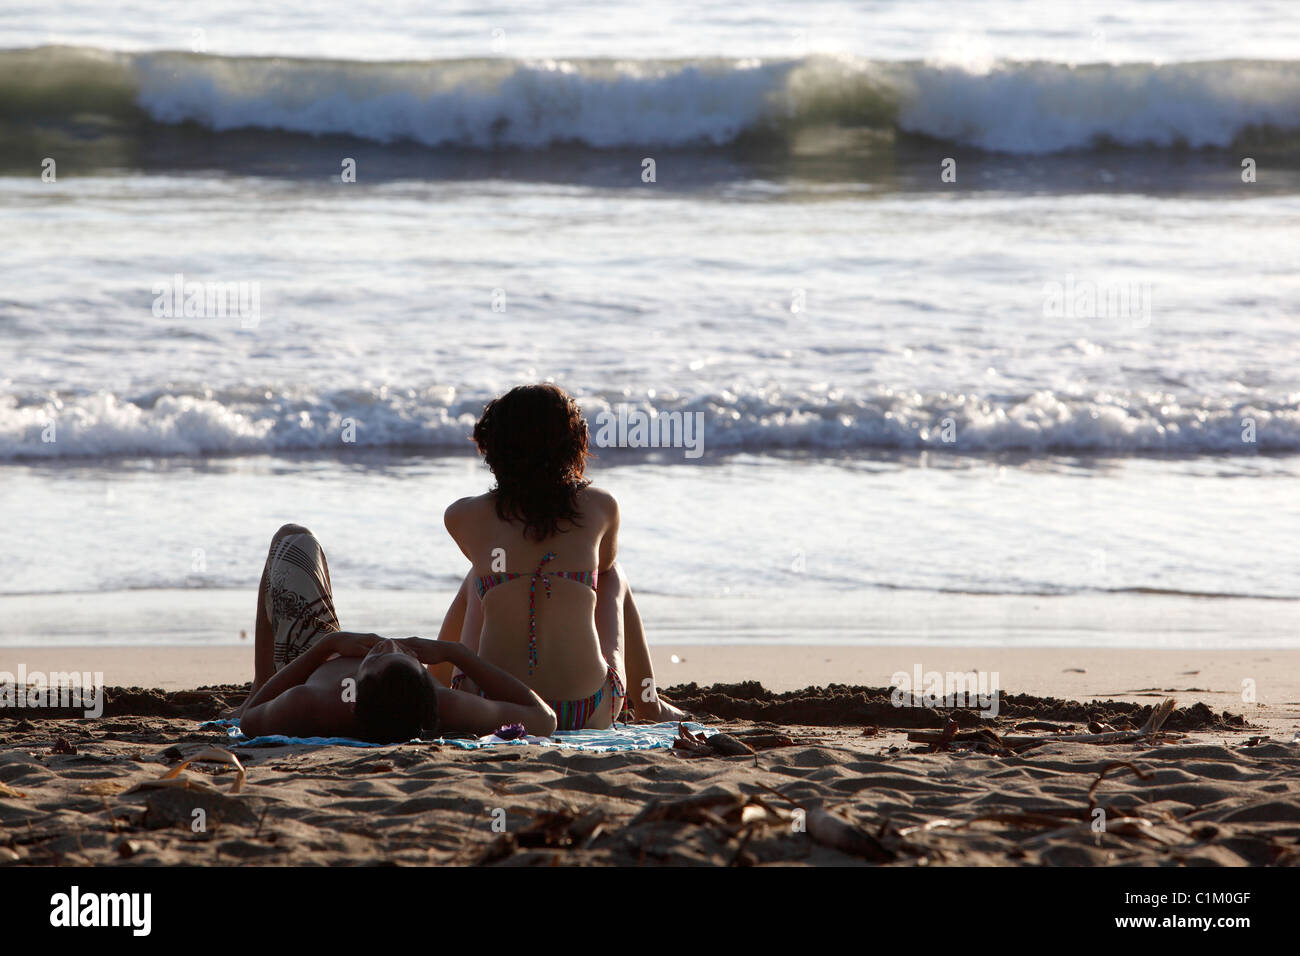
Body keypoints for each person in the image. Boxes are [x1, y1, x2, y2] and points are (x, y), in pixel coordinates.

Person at [438, 383, 686, 730]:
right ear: (573, 444)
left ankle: (435, 682)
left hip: (492, 707)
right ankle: (649, 703)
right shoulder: (602, 507)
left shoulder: (462, 516)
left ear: (493, 447)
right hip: (588, 709)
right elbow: (603, 565)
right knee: (614, 576)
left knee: (486, 572)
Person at [235, 523, 556, 742]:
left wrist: (326, 647)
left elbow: (249, 721)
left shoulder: (314, 702)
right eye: (404, 657)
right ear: (428, 687)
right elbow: (543, 717)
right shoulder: (446, 706)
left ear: (353, 692)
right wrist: (456, 653)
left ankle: (261, 679)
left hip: (309, 657)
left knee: (292, 537)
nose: (389, 643)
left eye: (375, 656)